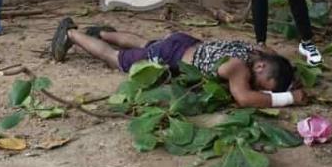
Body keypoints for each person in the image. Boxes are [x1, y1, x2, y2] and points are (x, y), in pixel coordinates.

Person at [50, 18, 308, 108]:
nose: (258, 88)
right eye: (263, 85)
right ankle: (70, 34)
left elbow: (272, 54)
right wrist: (290, 98)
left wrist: (286, 78)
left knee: (145, 44)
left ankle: (102, 33)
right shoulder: (238, 68)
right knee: (116, 59)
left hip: (184, 43)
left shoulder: (256, 51)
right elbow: (244, 98)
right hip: (171, 56)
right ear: (260, 67)